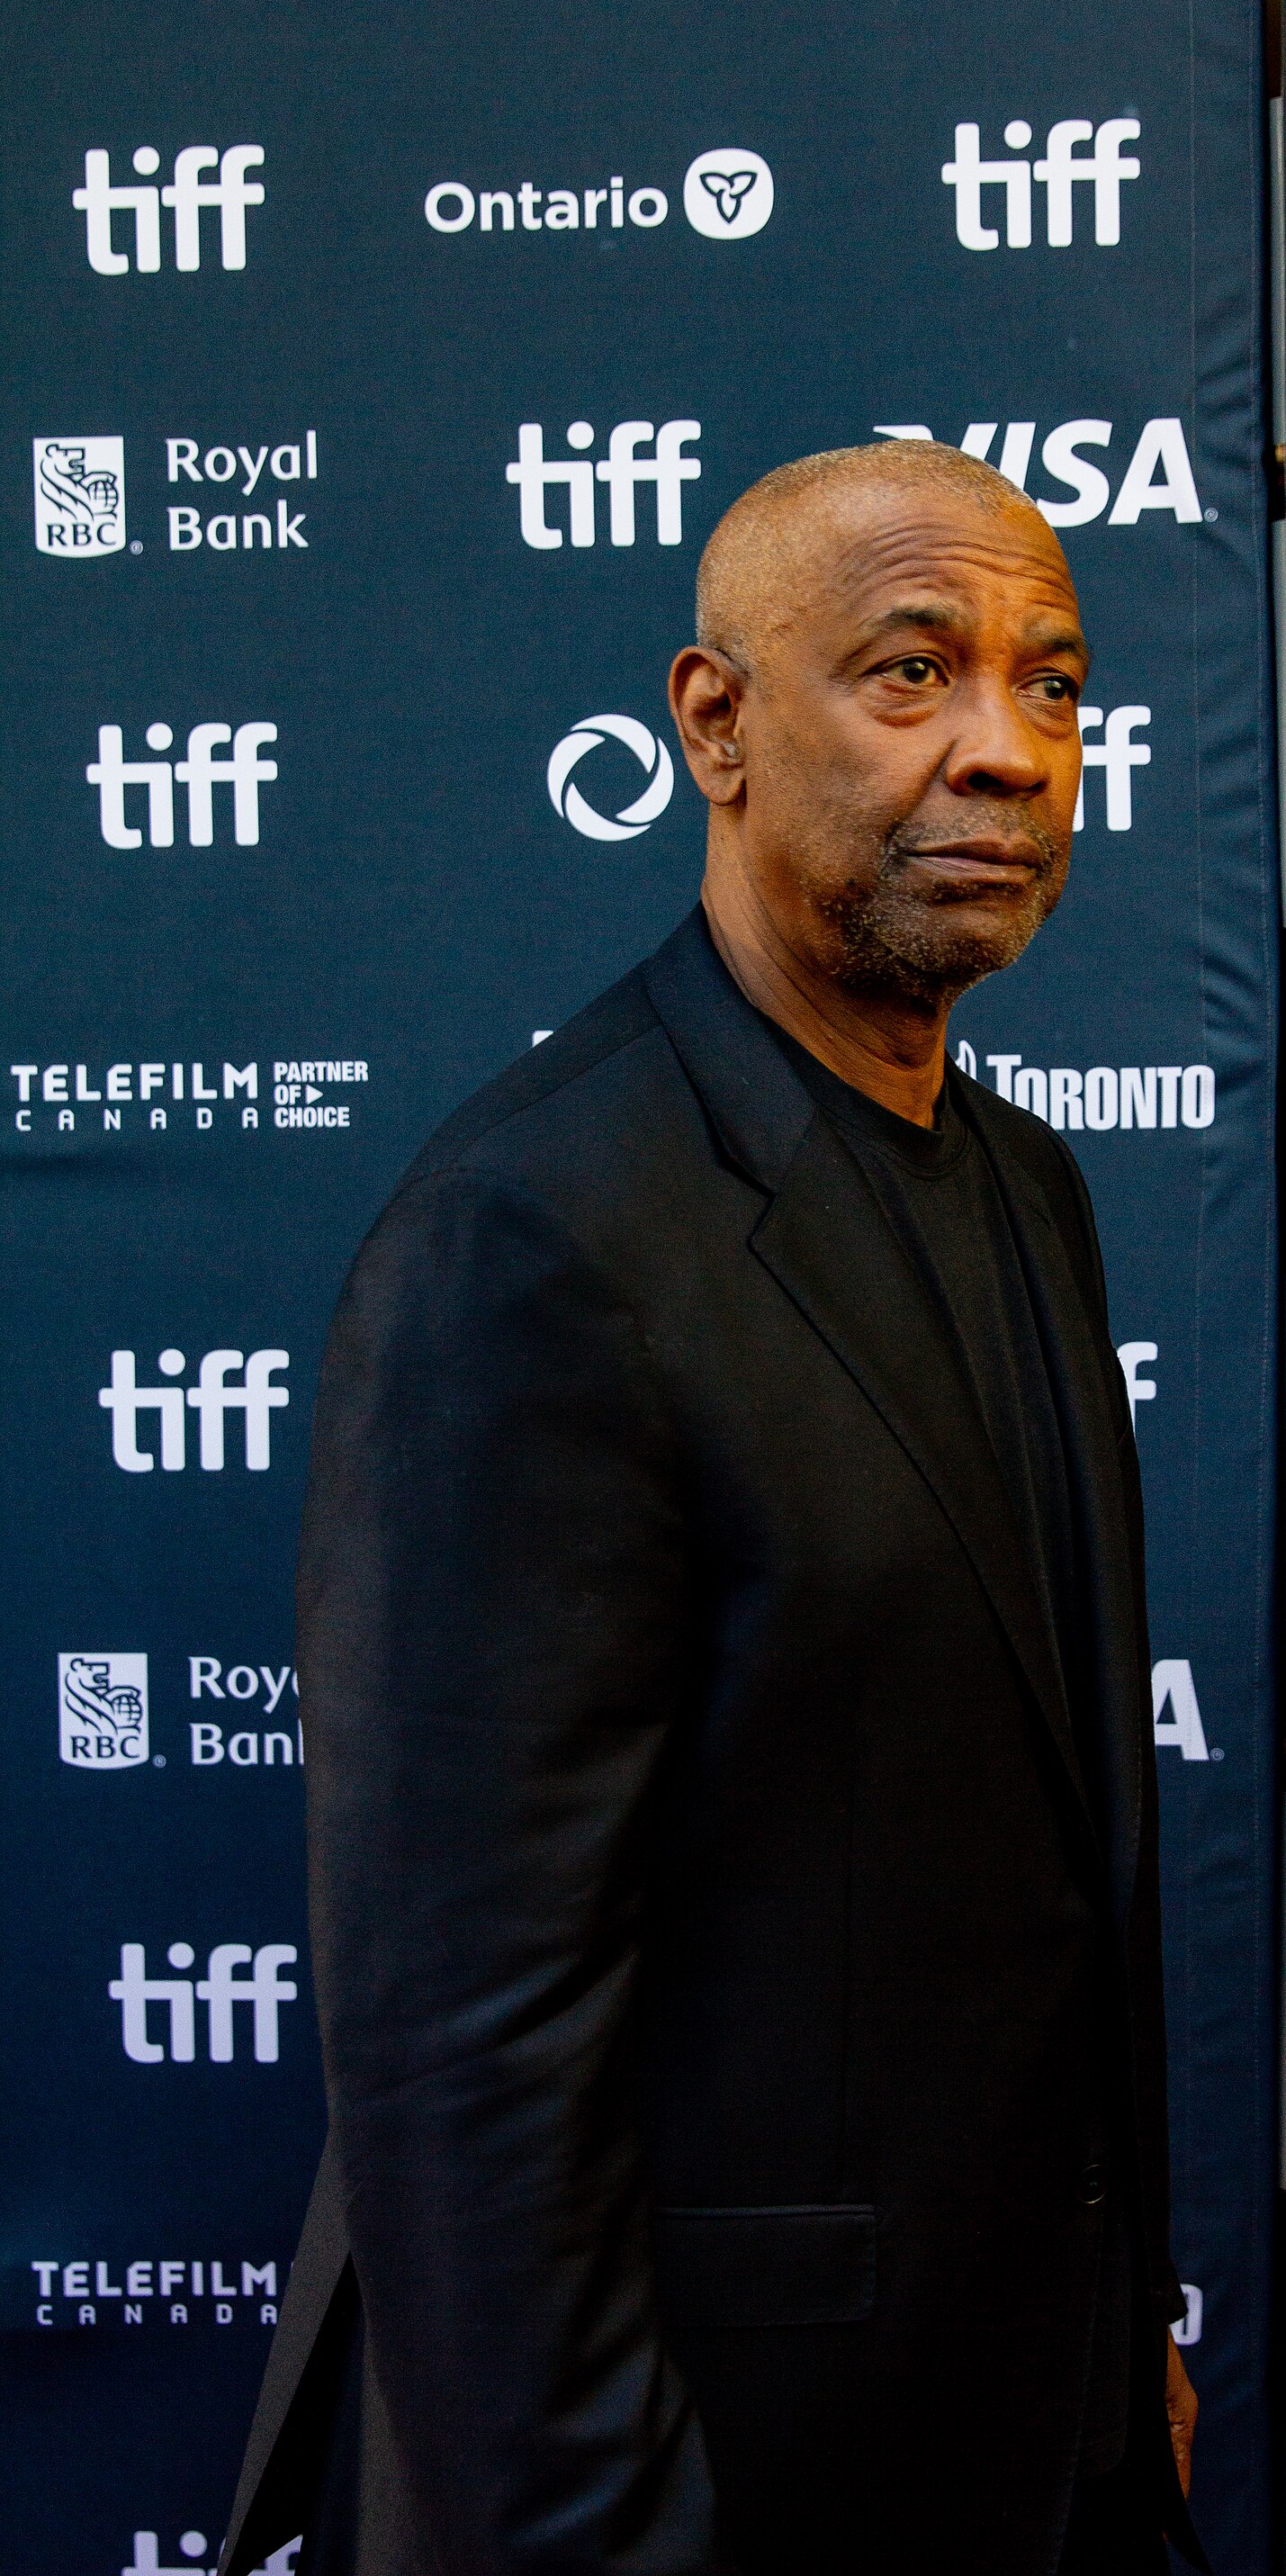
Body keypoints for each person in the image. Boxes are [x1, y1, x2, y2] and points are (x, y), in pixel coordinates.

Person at [220, 438, 1205, 2576]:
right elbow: (464, 2043)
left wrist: (1119, 2332)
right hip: (705, 2487)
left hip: (1026, 2451)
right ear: (718, 723)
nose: (1006, 753)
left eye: (1052, 685)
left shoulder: (1034, 1192)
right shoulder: (532, 1234)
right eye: (912, 672)